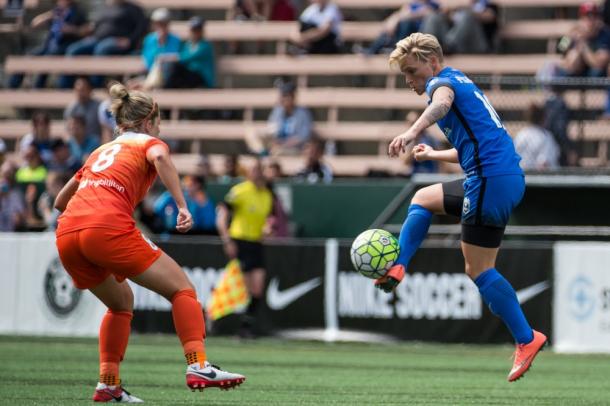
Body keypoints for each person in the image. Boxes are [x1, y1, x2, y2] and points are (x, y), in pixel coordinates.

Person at [53, 82, 245, 402]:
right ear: (147, 122)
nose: (160, 129)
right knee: (182, 289)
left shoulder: (99, 151)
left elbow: (61, 201)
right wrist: (182, 206)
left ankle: (108, 383)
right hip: (106, 227)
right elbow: (159, 156)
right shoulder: (148, 142)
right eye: (159, 122)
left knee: (120, 303)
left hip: (68, 234)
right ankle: (198, 365)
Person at [379, 33, 546, 382]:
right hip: (500, 177)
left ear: (432, 62)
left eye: (412, 71)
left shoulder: (441, 84)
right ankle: (398, 267)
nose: (410, 80)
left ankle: (527, 338)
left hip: (489, 180)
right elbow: (471, 146)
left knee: (478, 268)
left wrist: (413, 132)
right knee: (423, 199)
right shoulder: (460, 80)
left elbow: (439, 103)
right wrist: (434, 153)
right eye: (405, 75)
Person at [216, 160, 273, 338]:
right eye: (254, 170)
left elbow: (267, 221)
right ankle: (221, 321)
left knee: (257, 288)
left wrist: (266, 229)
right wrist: (227, 240)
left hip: (256, 243)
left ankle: (245, 326)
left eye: (260, 170)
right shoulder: (240, 191)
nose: (258, 173)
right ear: (248, 173)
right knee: (244, 287)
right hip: (240, 241)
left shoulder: (267, 195)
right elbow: (222, 215)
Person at [59, 0, 147, 88]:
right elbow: (94, 26)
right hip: (96, 39)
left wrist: (130, 40)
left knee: (102, 48)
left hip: (117, 40)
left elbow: (142, 27)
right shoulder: (103, 7)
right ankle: (64, 87)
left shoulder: (133, 9)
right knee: (73, 49)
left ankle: (95, 85)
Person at [8, 0, 87, 89]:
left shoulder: (77, 12)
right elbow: (35, 23)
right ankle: (12, 87)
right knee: (27, 59)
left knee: (47, 59)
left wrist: (71, 29)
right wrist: (50, 15)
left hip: (64, 46)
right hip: (48, 47)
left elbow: (86, 30)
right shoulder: (56, 12)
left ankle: (38, 88)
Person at [363, 0, 441, 55]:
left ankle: (396, 48)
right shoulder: (412, 4)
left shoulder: (433, 4)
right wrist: (395, 19)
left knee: (405, 23)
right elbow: (402, 14)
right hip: (407, 34)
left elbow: (427, 13)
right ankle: (373, 50)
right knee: (391, 28)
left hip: (419, 35)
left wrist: (403, 16)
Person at [160, 17, 216, 89]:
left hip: (202, 78)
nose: (196, 32)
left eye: (198, 30)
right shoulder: (188, 44)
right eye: (194, 30)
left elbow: (185, 57)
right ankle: (167, 87)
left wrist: (166, 57)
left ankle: (166, 88)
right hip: (190, 76)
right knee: (174, 70)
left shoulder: (205, 46)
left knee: (176, 67)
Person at [265, 81, 313, 155]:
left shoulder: (303, 113)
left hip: (296, 149)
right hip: (277, 147)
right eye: (281, 96)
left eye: (285, 96)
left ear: (292, 97)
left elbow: (304, 136)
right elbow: (271, 131)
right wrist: (275, 142)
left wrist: (285, 144)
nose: (282, 99)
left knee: (277, 152)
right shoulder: (277, 112)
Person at [514, 104, 560, 170]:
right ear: (543, 118)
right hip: (539, 178)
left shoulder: (520, 135)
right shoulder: (545, 136)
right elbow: (544, 164)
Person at [141, 8, 181, 76]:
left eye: (163, 23)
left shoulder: (175, 39)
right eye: (158, 23)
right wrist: (160, 43)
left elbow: (176, 59)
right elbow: (148, 61)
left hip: (169, 74)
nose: (161, 26)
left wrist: (163, 43)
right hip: (153, 72)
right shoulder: (149, 39)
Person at [0, 161, 26, 232]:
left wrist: (18, 217)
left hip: (10, 234)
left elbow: (19, 218)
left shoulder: (17, 194)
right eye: (4, 174)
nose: (6, 177)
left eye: (9, 174)